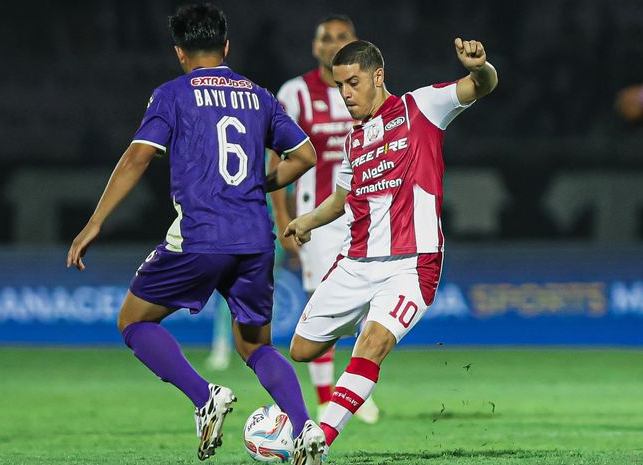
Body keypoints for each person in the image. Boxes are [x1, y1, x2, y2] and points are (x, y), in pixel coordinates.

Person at [66, 4, 327, 464]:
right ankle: (305, 426)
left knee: (134, 321)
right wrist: (260, 184)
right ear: (226, 48)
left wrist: (94, 222)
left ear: (180, 53)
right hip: (254, 240)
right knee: (256, 346)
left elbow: (137, 158)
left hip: (200, 237)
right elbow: (304, 155)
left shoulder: (173, 94)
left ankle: (205, 396)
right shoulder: (259, 95)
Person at [285, 39, 498, 455]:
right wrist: (307, 221)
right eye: (339, 85)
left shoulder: (421, 107)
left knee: (372, 345)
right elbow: (341, 198)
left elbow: (482, 86)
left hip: (411, 265)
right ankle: (361, 316)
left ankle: (317, 443)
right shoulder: (354, 140)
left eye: (353, 82)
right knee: (301, 350)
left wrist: (482, 68)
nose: (345, 94)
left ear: (377, 76)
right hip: (355, 263)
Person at [269, 14, 379, 424]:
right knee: (325, 304)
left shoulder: (370, 91)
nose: (333, 43)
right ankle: (325, 397)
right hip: (320, 218)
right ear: (315, 47)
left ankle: (353, 383)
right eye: (326, 38)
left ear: (356, 42)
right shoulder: (296, 93)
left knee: (371, 303)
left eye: (342, 37)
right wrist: (283, 216)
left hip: (370, 216)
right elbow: (278, 159)